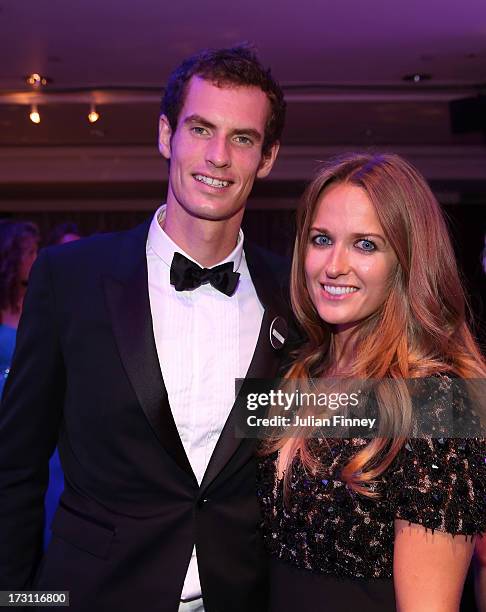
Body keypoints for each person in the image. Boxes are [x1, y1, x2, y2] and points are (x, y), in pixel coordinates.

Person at [0, 46, 289, 612]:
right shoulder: (71, 279)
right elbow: (16, 467)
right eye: (201, 129)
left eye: (242, 138)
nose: (218, 156)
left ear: (268, 157)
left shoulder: (293, 295)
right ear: (166, 135)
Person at [257, 153, 486, 612]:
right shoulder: (294, 371)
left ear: (406, 260)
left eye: (365, 245)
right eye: (322, 239)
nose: (334, 265)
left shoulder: (440, 402)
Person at [0, 220, 39, 392]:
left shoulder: (38, 302)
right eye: (30, 253)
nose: (36, 259)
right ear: (12, 257)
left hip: (28, 397)